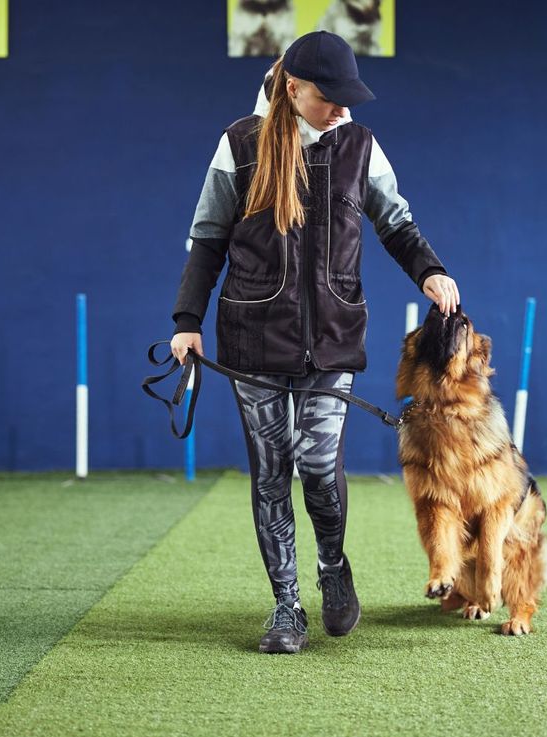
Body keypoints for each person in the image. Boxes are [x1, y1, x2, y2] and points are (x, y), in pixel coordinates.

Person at [169, 31, 460, 654]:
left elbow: (397, 222)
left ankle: (333, 565)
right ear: (294, 88)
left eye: (348, 97)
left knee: (320, 468)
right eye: (331, 97)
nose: (343, 108)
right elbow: (208, 238)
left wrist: (431, 270)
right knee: (271, 474)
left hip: (333, 338)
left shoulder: (359, 144)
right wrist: (186, 321)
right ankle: (285, 605)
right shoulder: (239, 144)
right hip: (251, 340)